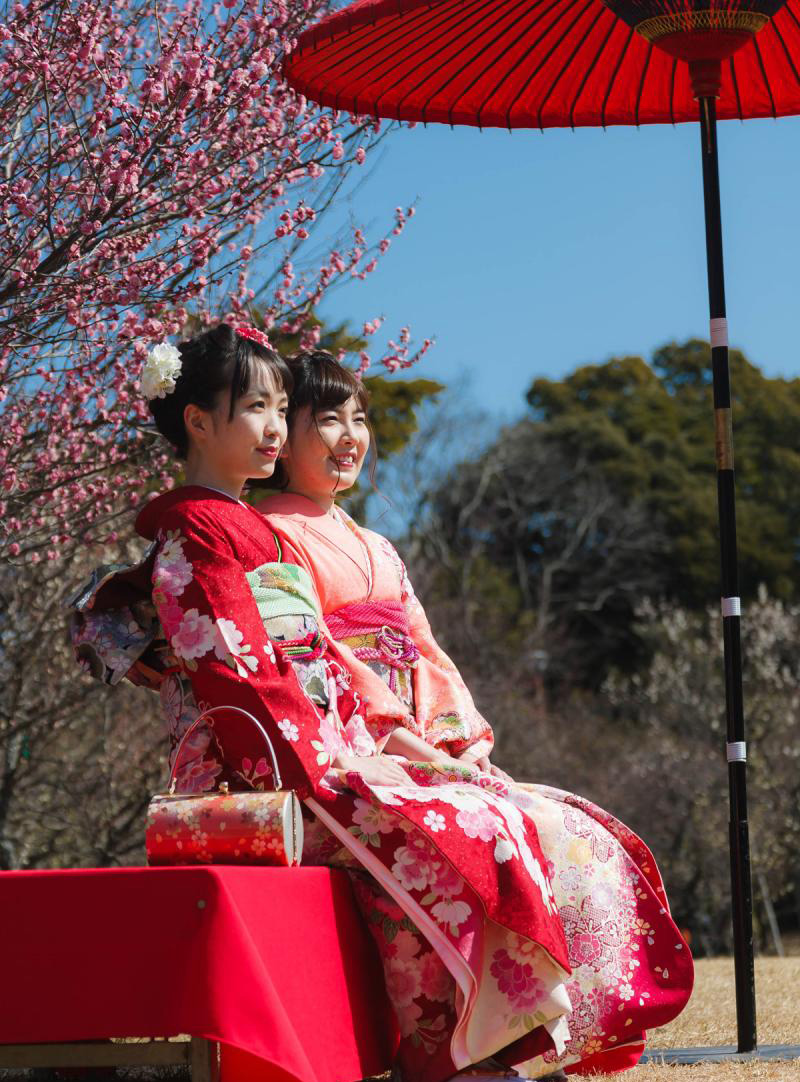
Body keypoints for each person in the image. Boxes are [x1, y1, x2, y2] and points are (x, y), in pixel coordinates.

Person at [72, 325, 585, 1082]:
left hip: (316, 746)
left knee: (485, 815)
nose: (276, 427)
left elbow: (319, 661)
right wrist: (323, 765)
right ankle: (447, 1057)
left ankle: (474, 1050)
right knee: (443, 834)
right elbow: (234, 670)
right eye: (255, 407)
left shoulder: (249, 529)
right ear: (199, 422)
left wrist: (383, 747)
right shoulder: (194, 531)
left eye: (282, 407)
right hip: (250, 768)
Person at [260, 350, 695, 1078]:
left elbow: (424, 650)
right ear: (280, 432)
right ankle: (457, 1052)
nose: (349, 437)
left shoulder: (376, 546)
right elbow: (323, 660)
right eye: (326, 419)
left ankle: (546, 1041)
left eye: (358, 418)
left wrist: (455, 739)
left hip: (417, 739)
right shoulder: (267, 536)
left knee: (562, 822)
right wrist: (397, 739)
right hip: (351, 744)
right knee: (477, 837)